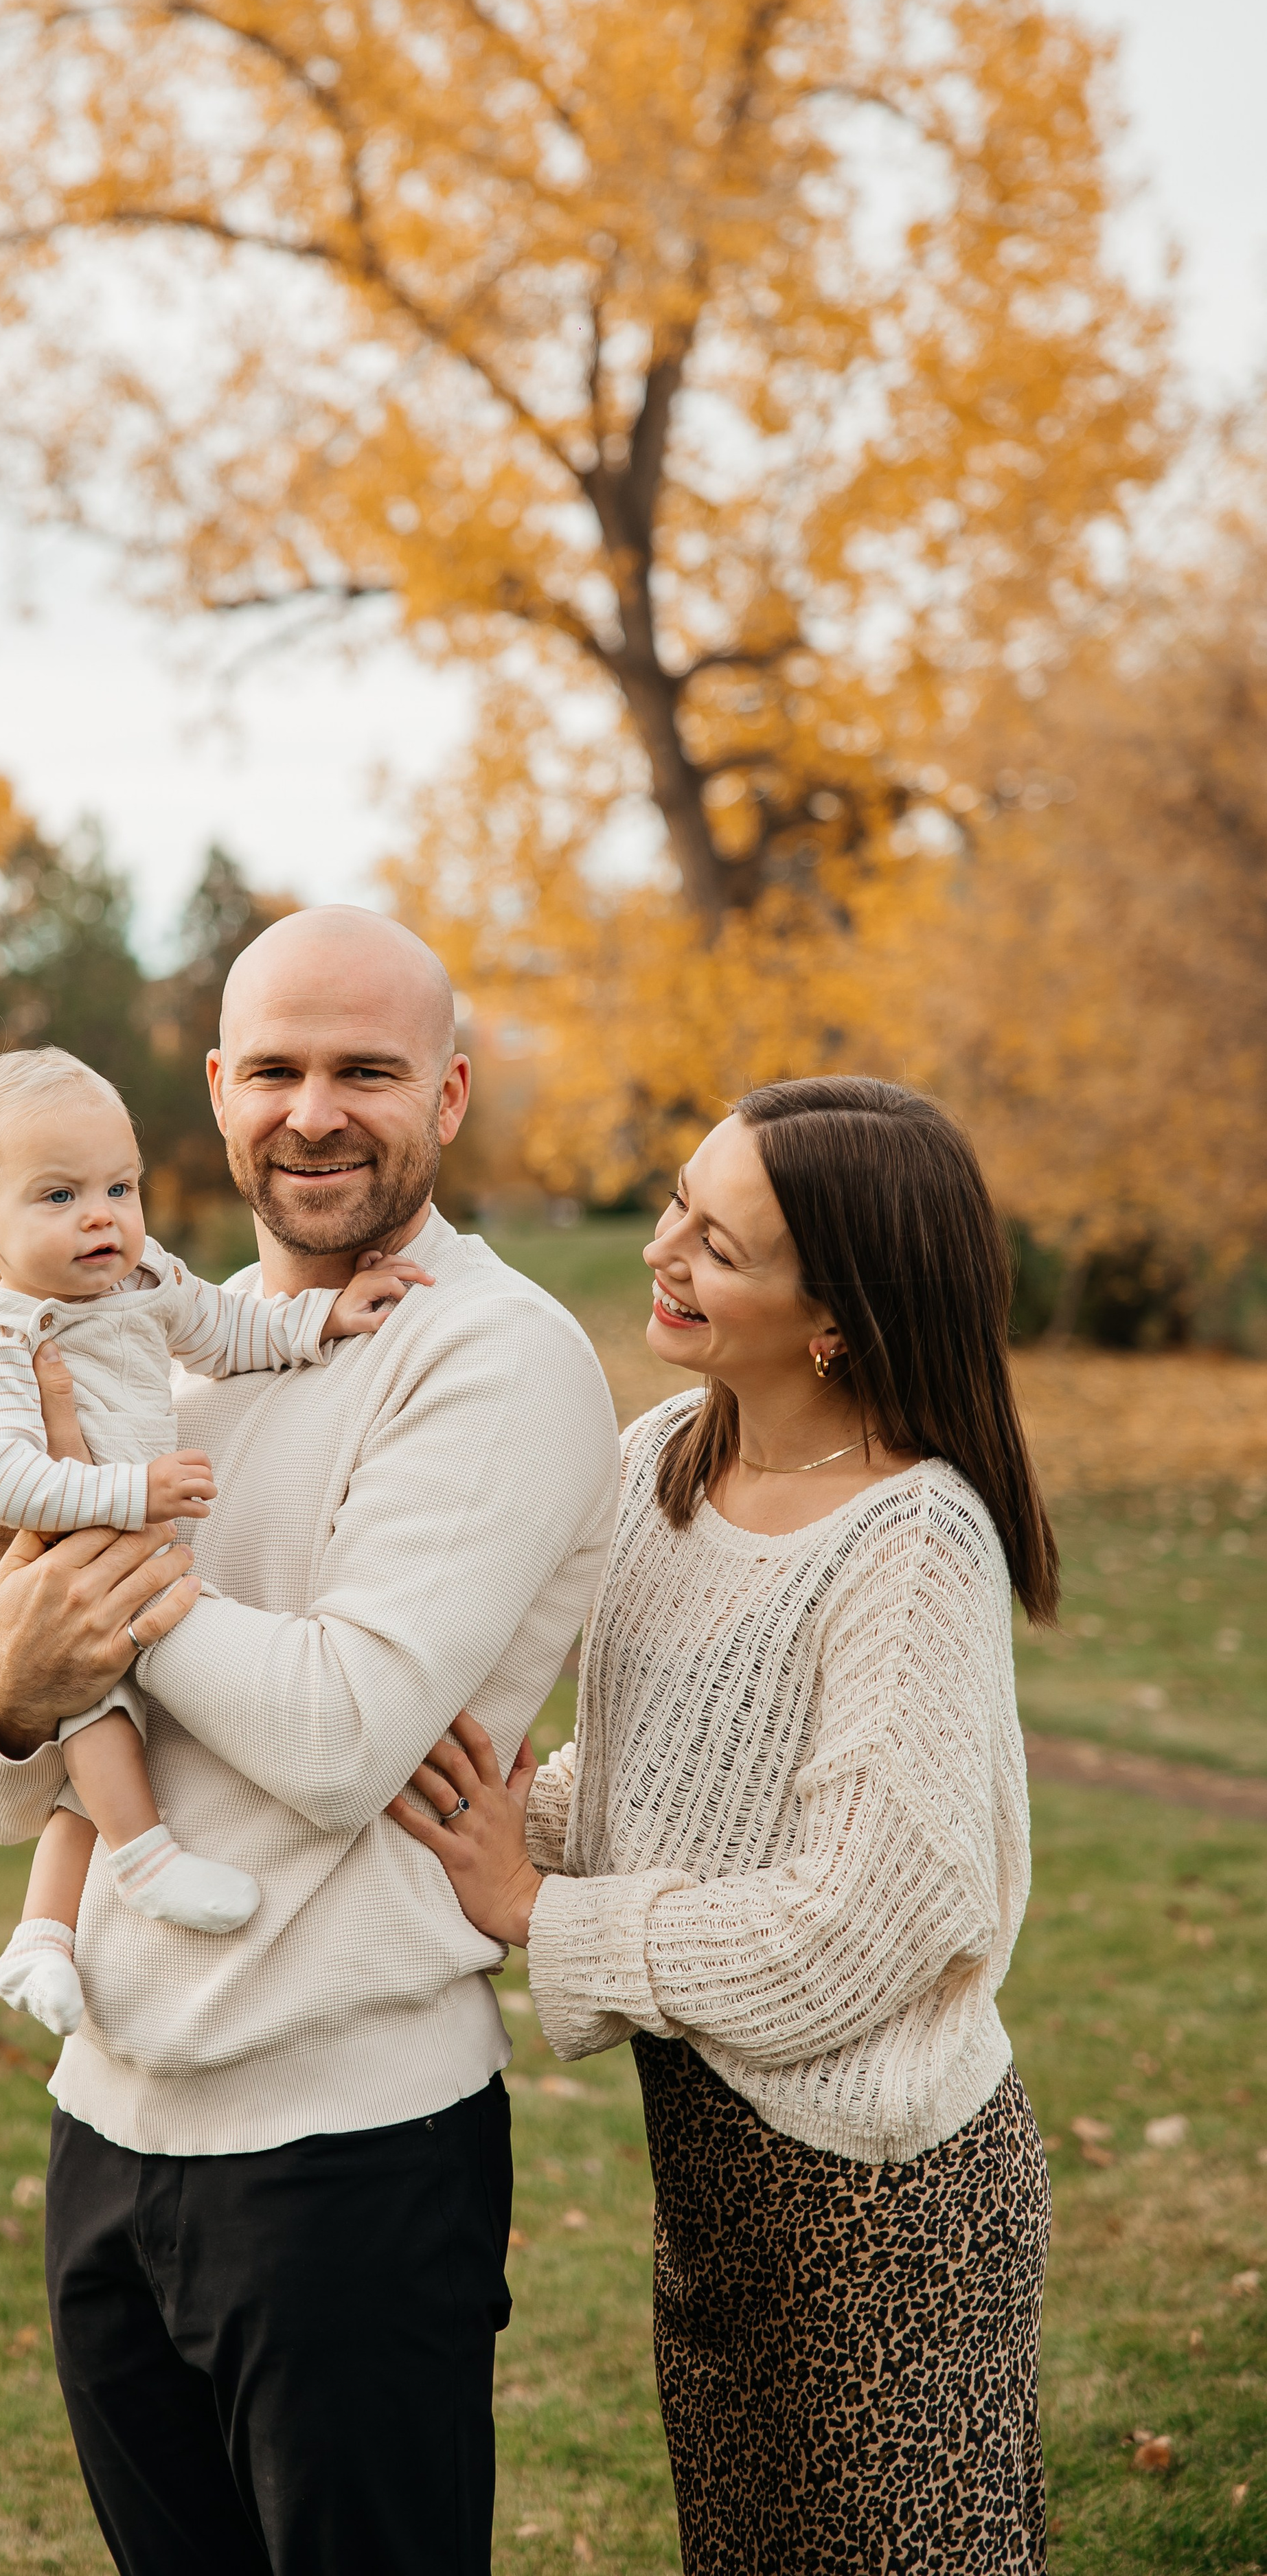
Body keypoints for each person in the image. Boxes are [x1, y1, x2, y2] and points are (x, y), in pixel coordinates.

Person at [0, 907, 621, 2576]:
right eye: (276, 1071)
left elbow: (338, 1735)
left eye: (365, 1071)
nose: (314, 1113)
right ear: (219, 1091)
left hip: (345, 2154)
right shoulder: (155, 1328)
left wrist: (77, 1562)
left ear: (448, 1095)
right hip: (108, 2121)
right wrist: (11, 1685)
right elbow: (4, 1773)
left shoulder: (493, 1354)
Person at [393, 1076, 1057, 2575]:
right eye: (677, 1208)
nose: (662, 1253)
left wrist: (536, 1911)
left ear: (836, 1319)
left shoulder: (912, 1543)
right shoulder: (661, 1463)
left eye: (719, 1247)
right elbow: (658, 1788)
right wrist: (485, 1807)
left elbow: (857, 1929)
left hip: (885, 2211)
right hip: (712, 2176)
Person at [0, 1045, 431, 2025]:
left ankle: (42, 1937)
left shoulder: (144, 1283)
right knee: (93, 1682)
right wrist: (136, 1491)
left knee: (98, 1698)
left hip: (86, 1555)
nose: (101, 1216)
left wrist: (324, 1319)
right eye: (59, 1196)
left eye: (120, 1187)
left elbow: (232, 1331)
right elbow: (1, 1483)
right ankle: (145, 1860)